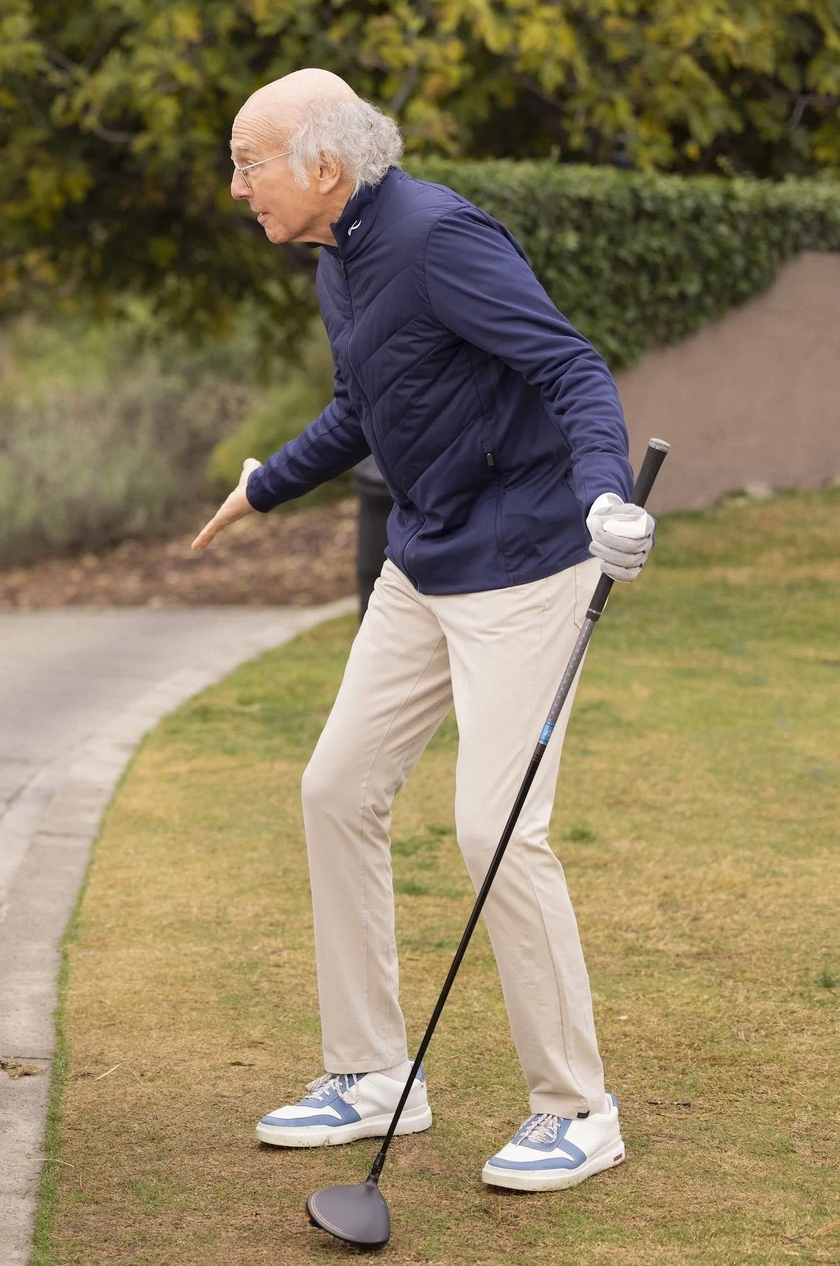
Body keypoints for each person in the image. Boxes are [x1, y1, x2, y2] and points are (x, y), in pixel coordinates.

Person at [192, 69, 656, 1192]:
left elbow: (569, 364)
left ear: (324, 167)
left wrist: (606, 493)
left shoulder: (440, 235)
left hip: (526, 565)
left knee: (495, 827)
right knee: (335, 789)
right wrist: (268, 485)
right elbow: (367, 401)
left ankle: (577, 1108)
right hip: (424, 559)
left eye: (250, 161)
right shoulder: (339, 261)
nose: (236, 184)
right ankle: (372, 1075)